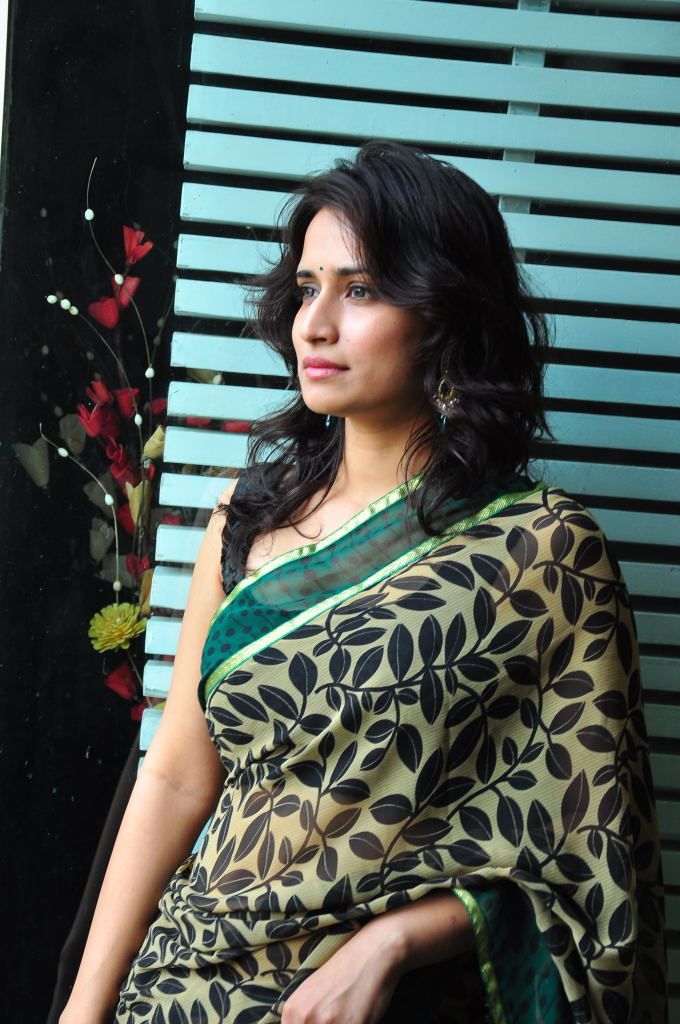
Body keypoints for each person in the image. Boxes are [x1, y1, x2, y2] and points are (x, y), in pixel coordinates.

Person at [59, 140, 667, 1024]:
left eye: (362, 289)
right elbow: (179, 780)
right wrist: (85, 1007)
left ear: (443, 313)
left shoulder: (541, 551)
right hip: (181, 985)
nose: (315, 324)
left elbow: (586, 856)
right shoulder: (247, 518)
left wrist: (395, 941)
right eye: (307, 288)